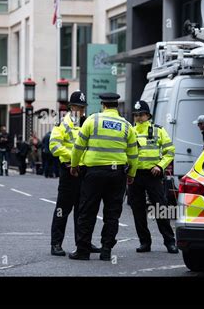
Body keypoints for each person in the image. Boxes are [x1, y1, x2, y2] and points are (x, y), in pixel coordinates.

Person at [68, 93, 138, 261]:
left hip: (94, 174)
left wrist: (74, 165)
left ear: (103, 105)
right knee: (112, 214)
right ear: (116, 106)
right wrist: (131, 174)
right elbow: (134, 154)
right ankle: (106, 250)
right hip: (117, 174)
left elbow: (78, 146)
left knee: (87, 211)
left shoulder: (93, 120)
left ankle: (83, 251)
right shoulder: (127, 126)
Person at [49, 90, 101, 257]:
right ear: (71, 107)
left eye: (83, 107)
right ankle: (56, 244)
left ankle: (83, 243)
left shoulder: (88, 123)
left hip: (86, 172)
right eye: (77, 107)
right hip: (69, 171)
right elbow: (54, 146)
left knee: (83, 210)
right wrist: (73, 158)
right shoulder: (62, 124)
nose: (80, 110)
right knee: (62, 209)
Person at [128, 100, 178, 254]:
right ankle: (145, 242)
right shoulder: (129, 131)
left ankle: (170, 241)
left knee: (160, 208)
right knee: (138, 210)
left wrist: (160, 166)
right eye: (136, 115)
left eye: (141, 114)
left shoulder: (158, 131)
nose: (138, 117)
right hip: (135, 175)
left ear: (148, 115)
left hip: (153, 174)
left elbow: (170, 151)